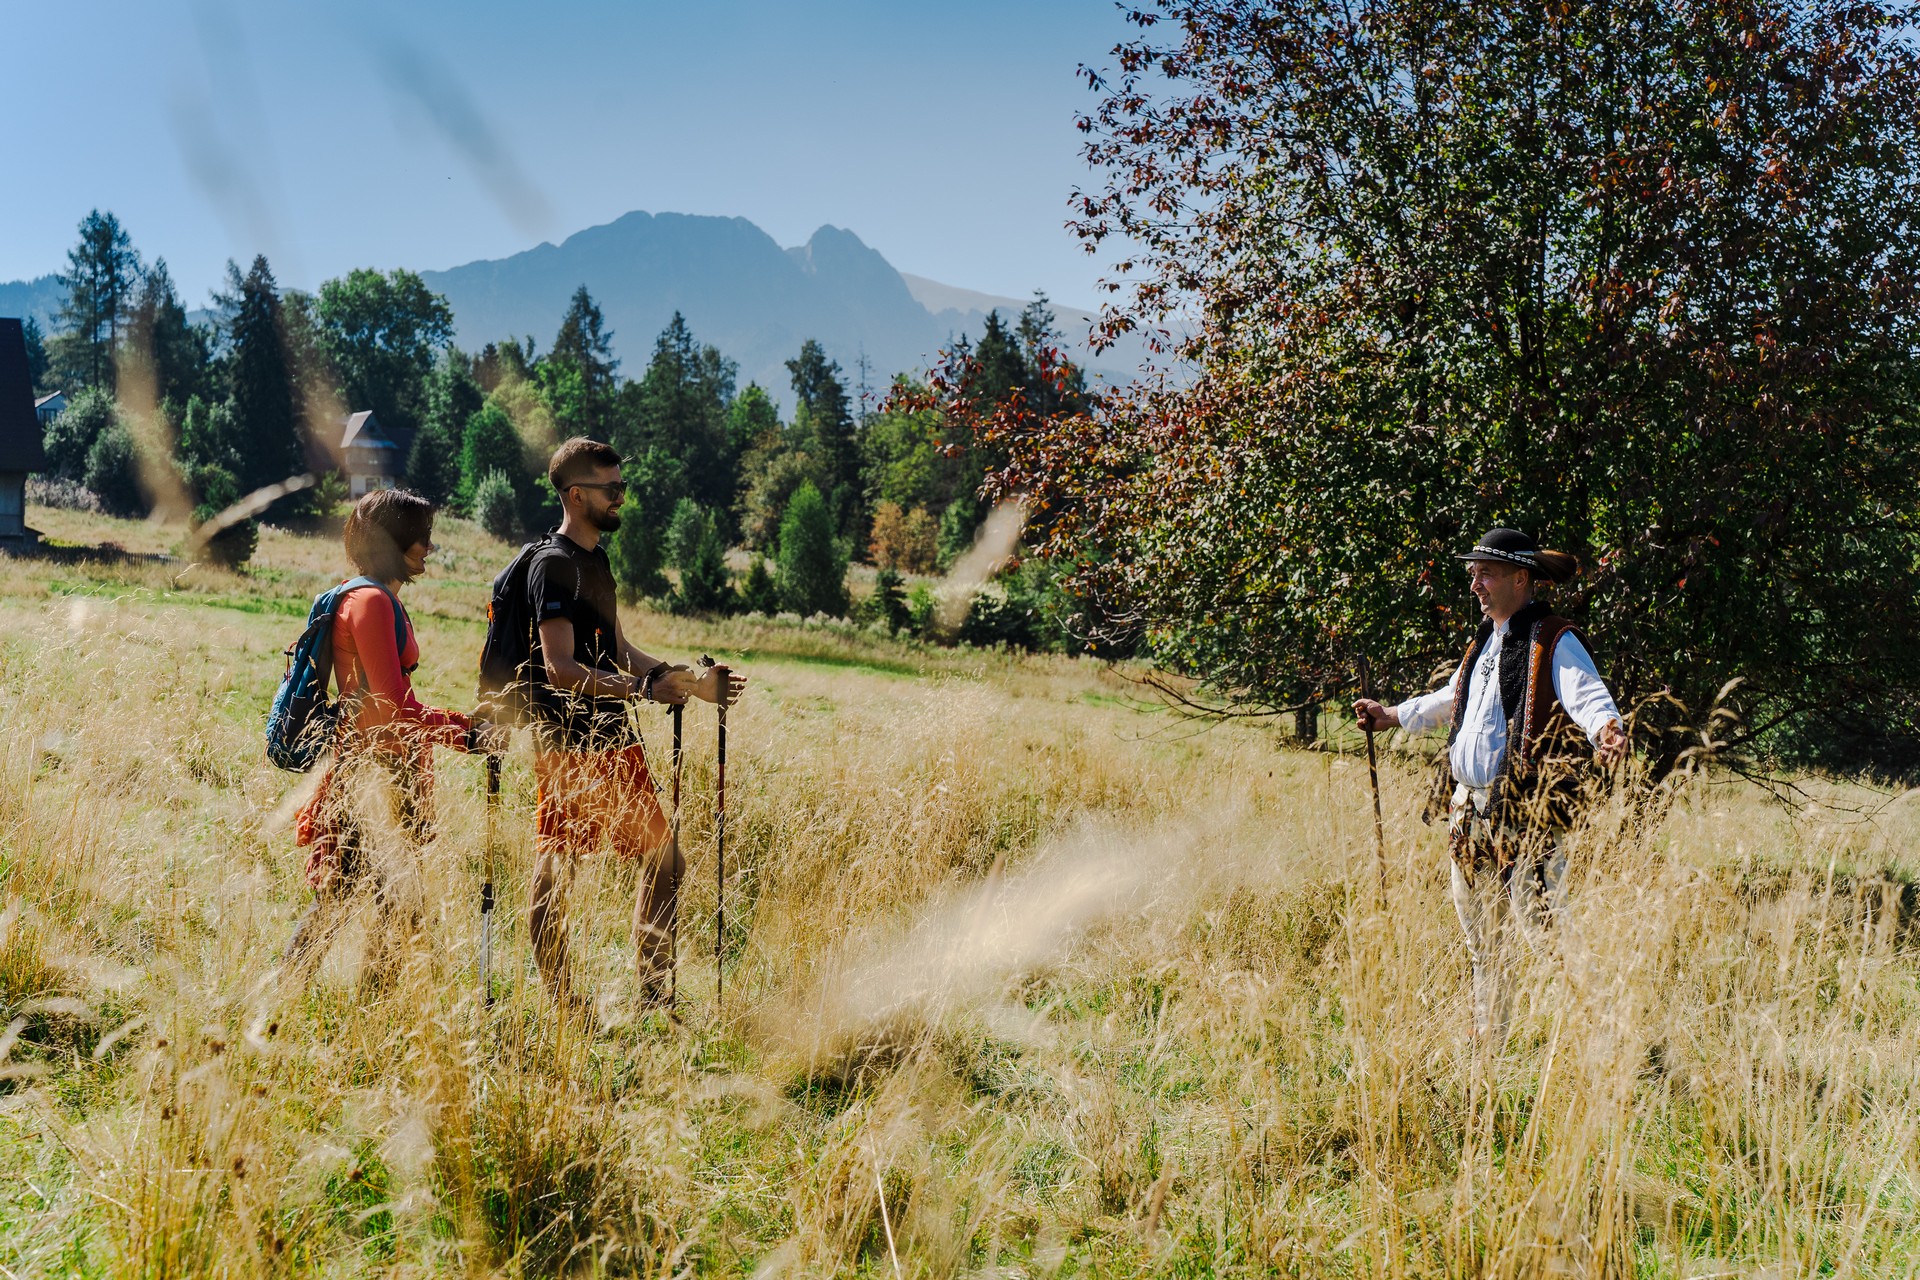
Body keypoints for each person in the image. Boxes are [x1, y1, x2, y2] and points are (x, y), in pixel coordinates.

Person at [1353, 527, 1628, 1044]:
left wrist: (1606, 729)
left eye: (1486, 574)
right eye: (1474, 574)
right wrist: (1392, 714)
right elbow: (1451, 697)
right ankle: (1489, 1040)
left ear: (1520, 579)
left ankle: (1611, 1043)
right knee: (1482, 938)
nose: (1475, 584)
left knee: (1550, 937)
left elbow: (1587, 694)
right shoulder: (1485, 640)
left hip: (1523, 813)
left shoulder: (1552, 638)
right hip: (1468, 811)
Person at [522, 437, 747, 1014]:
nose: (621, 497)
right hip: (569, 740)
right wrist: (644, 690)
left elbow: (618, 649)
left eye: (622, 486)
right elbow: (560, 667)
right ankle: (567, 1006)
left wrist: (686, 682)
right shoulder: (552, 565)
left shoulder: (596, 560)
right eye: (612, 488)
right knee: (560, 866)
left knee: (664, 858)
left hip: (612, 735)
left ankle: (652, 999)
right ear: (576, 494)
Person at [282, 488, 506, 993]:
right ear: (391, 540)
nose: (428, 547)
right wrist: (467, 733)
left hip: (377, 763)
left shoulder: (372, 596)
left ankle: (335, 1005)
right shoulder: (371, 602)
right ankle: (306, 1003)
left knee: (373, 898)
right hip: (374, 770)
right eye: (419, 536)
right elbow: (394, 708)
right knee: (368, 898)